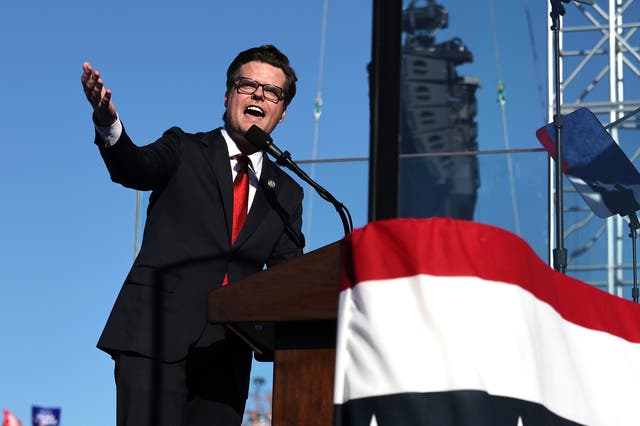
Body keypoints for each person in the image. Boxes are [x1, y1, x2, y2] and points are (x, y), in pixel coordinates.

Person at [81, 45, 305, 426]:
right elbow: (133, 167)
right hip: (154, 336)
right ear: (228, 94)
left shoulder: (286, 190)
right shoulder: (184, 148)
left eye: (272, 92)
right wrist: (108, 123)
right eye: (248, 84)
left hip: (228, 355)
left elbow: (291, 273)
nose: (258, 95)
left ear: (282, 114)